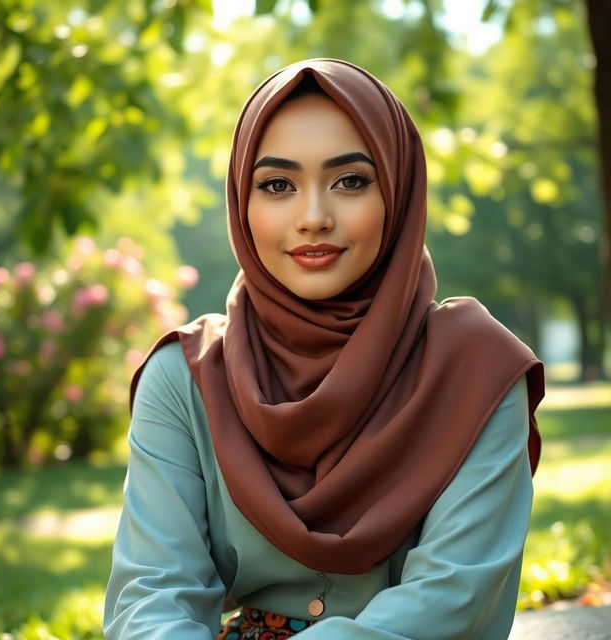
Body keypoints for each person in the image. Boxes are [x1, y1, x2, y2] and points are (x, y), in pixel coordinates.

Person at [103, 59, 544, 640]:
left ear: (398, 193)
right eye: (277, 185)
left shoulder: (478, 372)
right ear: (242, 202)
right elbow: (151, 597)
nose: (313, 218)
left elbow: (450, 604)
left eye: (352, 181)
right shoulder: (185, 378)